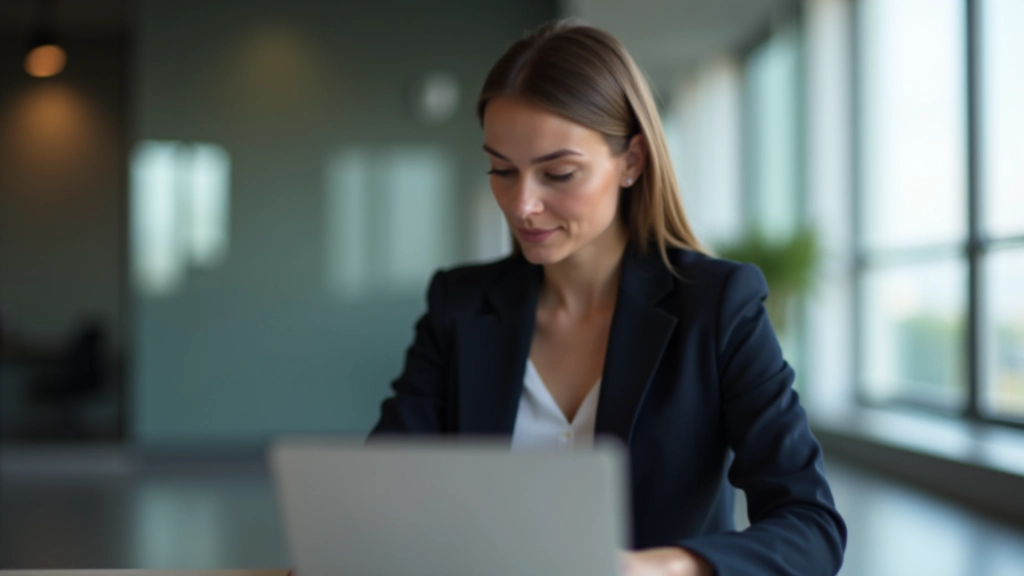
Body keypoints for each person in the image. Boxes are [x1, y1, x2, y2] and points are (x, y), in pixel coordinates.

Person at [370, 19, 846, 576]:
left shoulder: (717, 306)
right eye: (502, 169)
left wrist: (660, 569)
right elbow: (383, 495)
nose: (522, 204)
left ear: (632, 162)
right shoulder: (459, 305)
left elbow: (811, 525)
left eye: (560, 173)